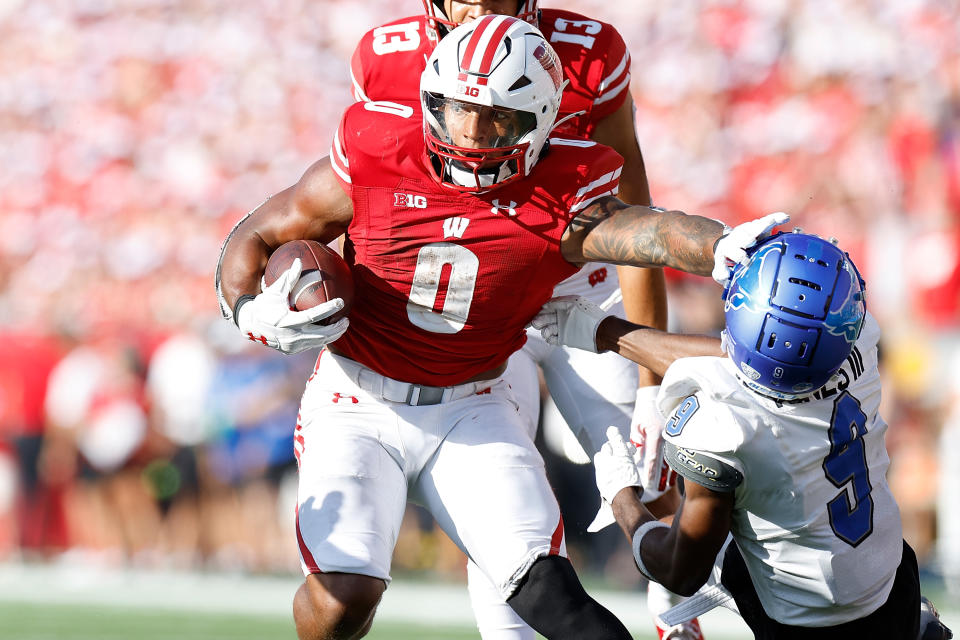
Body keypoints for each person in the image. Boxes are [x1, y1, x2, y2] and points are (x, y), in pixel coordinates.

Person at [216, 16, 785, 640]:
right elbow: (262, 230)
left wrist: (722, 247)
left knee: (558, 603)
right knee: (341, 599)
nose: (472, 133)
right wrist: (246, 307)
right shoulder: (379, 149)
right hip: (358, 396)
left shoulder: (561, 190)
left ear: (543, 119)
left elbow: (648, 231)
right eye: (458, 110)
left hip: (473, 403)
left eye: (497, 118)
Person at [351, 3, 688, 636]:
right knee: (504, 522)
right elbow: (364, 204)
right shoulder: (386, 56)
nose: (478, 4)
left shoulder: (588, 53)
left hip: (578, 292)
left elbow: (634, 210)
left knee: (654, 478)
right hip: (477, 312)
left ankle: (680, 611)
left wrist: (650, 387)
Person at [532, 231, 954, 639]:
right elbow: (745, 362)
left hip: (808, 621)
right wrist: (605, 332)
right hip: (892, 576)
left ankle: (668, 613)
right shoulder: (859, 340)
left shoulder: (727, 428)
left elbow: (682, 570)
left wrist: (620, 497)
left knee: (690, 530)